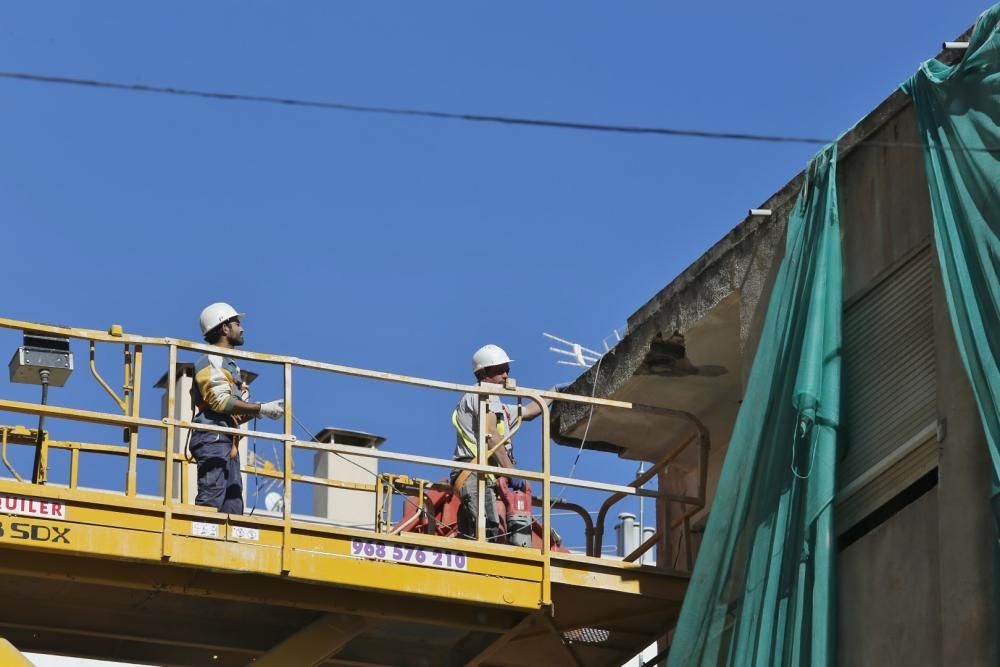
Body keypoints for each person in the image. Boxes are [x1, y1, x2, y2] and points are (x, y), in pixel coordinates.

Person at [189, 302, 284, 515]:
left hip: (225, 439)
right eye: (237, 323)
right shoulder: (212, 358)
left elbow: (230, 409)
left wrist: (251, 408)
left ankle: (225, 544)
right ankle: (203, 538)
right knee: (212, 499)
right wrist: (260, 409)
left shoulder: (230, 365)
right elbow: (219, 401)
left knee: (232, 506)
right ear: (224, 328)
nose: (242, 328)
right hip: (212, 437)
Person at [450, 344, 551, 541]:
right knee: (486, 528)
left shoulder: (500, 406)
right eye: (499, 370)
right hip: (472, 471)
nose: (505, 375)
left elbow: (529, 411)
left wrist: (553, 393)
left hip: (484, 473)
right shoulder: (480, 394)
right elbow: (491, 435)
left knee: (490, 530)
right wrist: (510, 471)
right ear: (483, 374)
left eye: (507, 370)